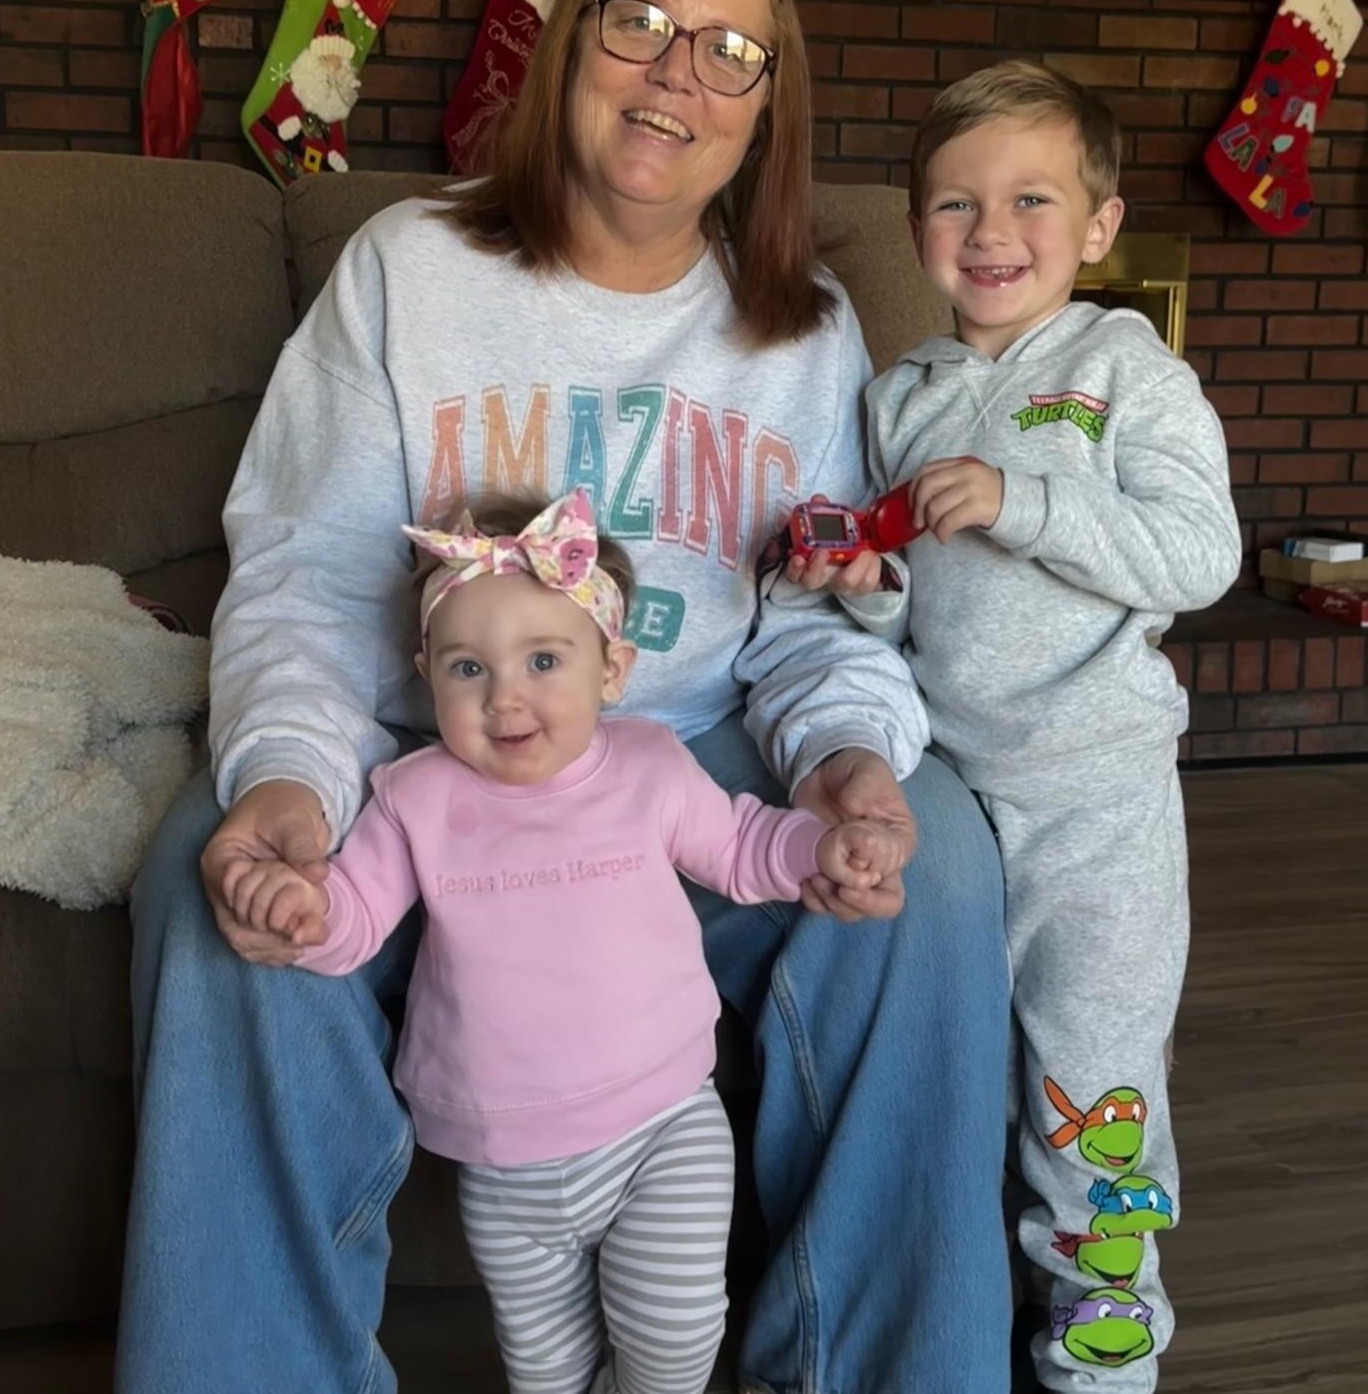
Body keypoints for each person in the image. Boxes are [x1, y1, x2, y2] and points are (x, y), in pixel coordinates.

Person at [116, 0, 1014, 1394]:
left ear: (765, 113)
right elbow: (309, 580)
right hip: (432, 759)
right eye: (644, 23)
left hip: (690, 770)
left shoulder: (805, 331)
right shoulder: (410, 268)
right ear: (571, 42)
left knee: (939, 865)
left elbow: (822, 620)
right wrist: (282, 782)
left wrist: (858, 763)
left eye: (732, 51)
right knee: (214, 887)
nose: (678, 74)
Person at [222, 487, 907, 1394]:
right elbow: (351, 918)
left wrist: (824, 845)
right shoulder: (413, 796)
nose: (506, 696)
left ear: (612, 669)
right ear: (425, 670)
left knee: (672, 1342)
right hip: (505, 1159)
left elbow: (743, 847)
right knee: (545, 1368)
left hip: (665, 1120)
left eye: (544, 659)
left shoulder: (650, 764)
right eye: (468, 669)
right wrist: (298, 910)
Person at [783, 61, 1242, 1393]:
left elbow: (1200, 552)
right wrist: (862, 591)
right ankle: (960, 1311)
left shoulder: (1123, 368)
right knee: (960, 1070)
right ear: (914, 223)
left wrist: (1023, 498)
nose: (990, 233)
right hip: (951, 789)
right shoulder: (898, 394)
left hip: (1096, 803)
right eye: (953, 203)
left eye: (1030, 200)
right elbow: (902, 605)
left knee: (1093, 1092)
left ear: (1098, 227)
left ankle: (1104, 1349)